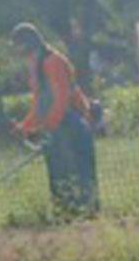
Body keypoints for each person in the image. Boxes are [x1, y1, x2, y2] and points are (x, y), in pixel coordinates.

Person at [11, 22, 99, 216]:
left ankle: (87, 214)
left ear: (27, 44)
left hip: (70, 123)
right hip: (54, 127)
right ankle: (65, 214)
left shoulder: (53, 61)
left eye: (17, 45)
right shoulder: (36, 65)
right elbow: (39, 103)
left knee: (78, 173)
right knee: (58, 174)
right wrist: (25, 126)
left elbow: (62, 98)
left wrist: (47, 127)